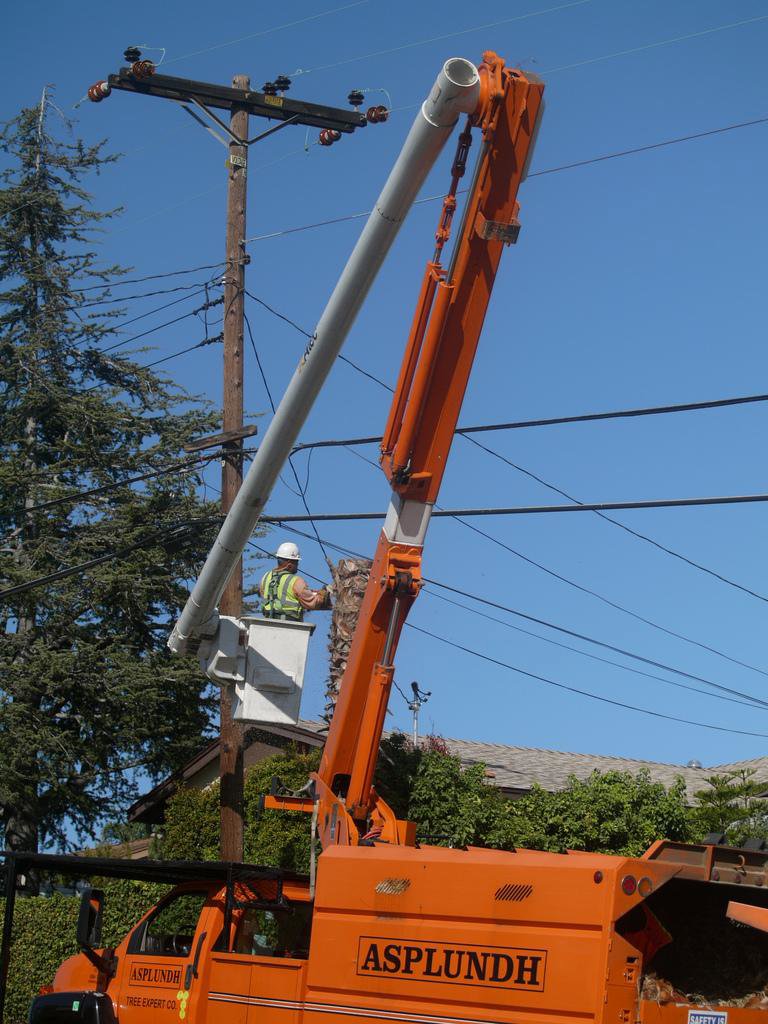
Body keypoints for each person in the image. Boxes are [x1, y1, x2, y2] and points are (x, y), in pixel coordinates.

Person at [259, 542, 332, 621]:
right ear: (289, 565)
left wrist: (309, 592)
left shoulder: (265, 577)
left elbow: (278, 594)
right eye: (296, 562)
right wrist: (323, 595)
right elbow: (312, 602)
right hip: (290, 625)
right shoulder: (296, 581)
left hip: (268, 623)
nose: (297, 565)